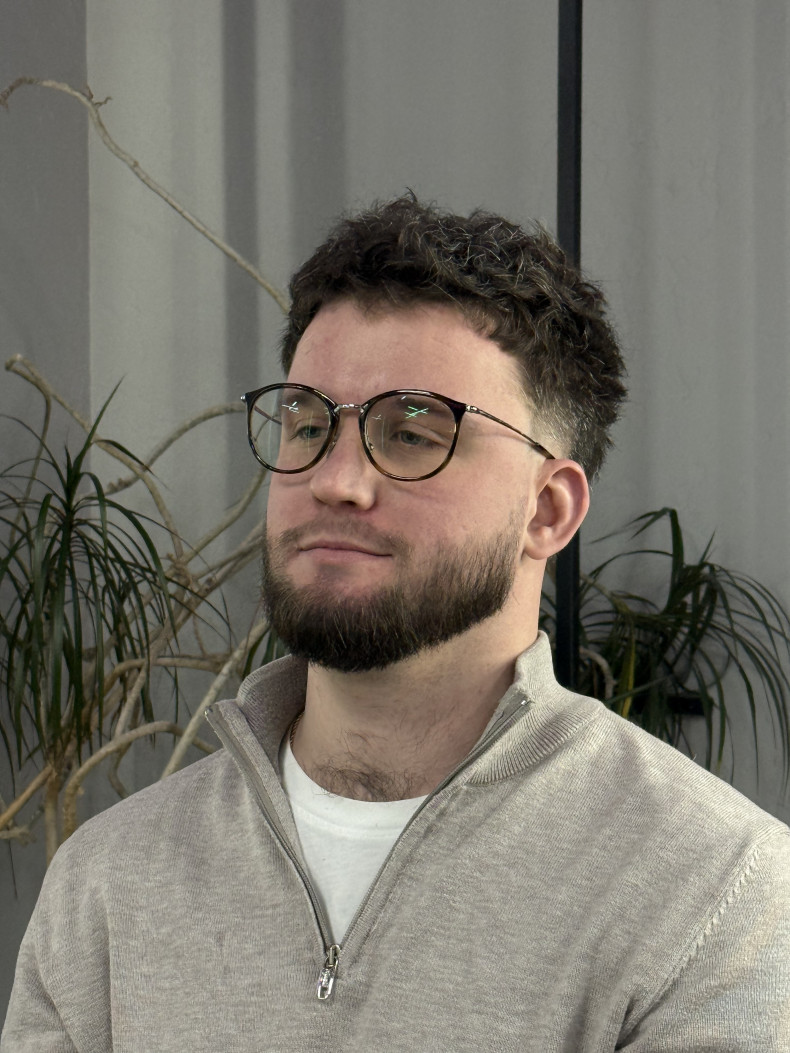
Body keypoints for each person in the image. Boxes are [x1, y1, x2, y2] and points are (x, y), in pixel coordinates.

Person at [3, 195, 789, 1052]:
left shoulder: (711, 893)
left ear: (547, 510)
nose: (335, 480)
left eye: (412, 433)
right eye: (308, 424)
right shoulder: (107, 885)